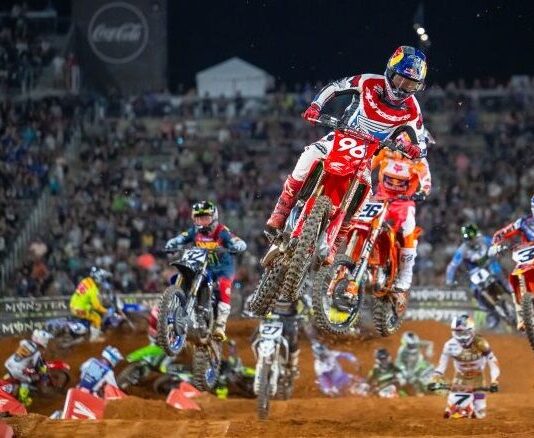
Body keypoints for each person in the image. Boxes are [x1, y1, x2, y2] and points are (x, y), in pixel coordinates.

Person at [265, 46, 429, 252]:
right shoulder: (369, 81)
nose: (402, 88)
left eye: (410, 84)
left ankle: (336, 242)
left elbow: (421, 141)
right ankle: (283, 208)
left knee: (365, 196)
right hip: (341, 137)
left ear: (418, 86)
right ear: (390, 72)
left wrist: (414, 149)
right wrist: (316, 105)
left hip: (368, 153)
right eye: (400, 80)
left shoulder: (413, 109)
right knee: (310, 154)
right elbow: (335, 87)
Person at [165, 201, 247, 340]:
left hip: (222, 269)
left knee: (223, 286)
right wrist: (172, 243)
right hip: (203, 267)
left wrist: (238, 245)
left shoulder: (221, 231)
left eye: (205, 218)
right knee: (184, 275)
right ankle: (177, 309)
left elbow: (237, 241)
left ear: (214, 218)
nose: (202, 222)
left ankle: (220, 325)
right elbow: (180, 238)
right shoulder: (194, 231)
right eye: (198, 218)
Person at [371, 130, 432, 290]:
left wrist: (423, 192)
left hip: (404, 202)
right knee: (365, 223)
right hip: (381, 198)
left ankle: (406, 275)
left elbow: (426, 180)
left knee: (408, 230)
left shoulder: (419, 160)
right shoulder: (386, 150)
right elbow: (368, 164)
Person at [431, 314, 500, 419]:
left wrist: (494, 380)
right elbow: (441, 366)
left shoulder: (481, 343)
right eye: (458, 332)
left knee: (480, 414)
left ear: (471, 331)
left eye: (464, 333)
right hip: (460, 379)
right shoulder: (449, 345)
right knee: (453, 411)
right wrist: (436, 377)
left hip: (478, 379)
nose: (461, 337)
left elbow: (493, 362)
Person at [446, 224, 511, 327]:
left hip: (490, 264)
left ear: (476, 234)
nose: (471, 241)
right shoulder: (462, 250)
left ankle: (513, 292)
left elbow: (496, 245)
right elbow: (452, 266)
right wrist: (449, 281)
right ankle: (492, 313)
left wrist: (501, 248)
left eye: (472, 237)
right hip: (475, 271)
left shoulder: (485, 240)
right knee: (475, 290)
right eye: (468, 239)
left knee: (498, 272)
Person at [4, 329, 54, 406]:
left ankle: (12, 383)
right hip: (17, 370)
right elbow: (37, 365)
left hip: (9, 363)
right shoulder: (37, 353)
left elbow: (26, 355)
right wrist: (41, 370)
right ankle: (23, 399)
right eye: (46, 340)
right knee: (27, 380)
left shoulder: (24, 342)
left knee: (19, 372)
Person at [69, 267, 112, 342]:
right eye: (102, 278)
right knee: (97, 318)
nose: (103, 280)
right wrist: (106, 311)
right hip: (80, 310)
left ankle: (91, 330)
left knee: (91, 308)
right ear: (98, 278)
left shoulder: (85, 280)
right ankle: (94, 339)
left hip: (73, 305)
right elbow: (97, 307)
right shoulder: (93, 289)